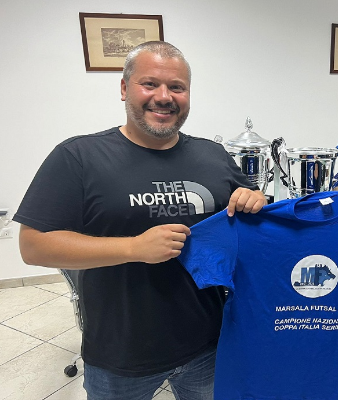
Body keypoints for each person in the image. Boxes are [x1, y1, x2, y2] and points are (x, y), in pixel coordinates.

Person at [14, 41, 266, 400]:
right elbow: (33, 245)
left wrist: (255, 198)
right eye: (150, 84)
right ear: (124, 88)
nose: (164, 97)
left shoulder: (212, 155)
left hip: (207, 345)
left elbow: (250, 204)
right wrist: (134, 248)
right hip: (120, 356)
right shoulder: (78, 156)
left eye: (177, 87)